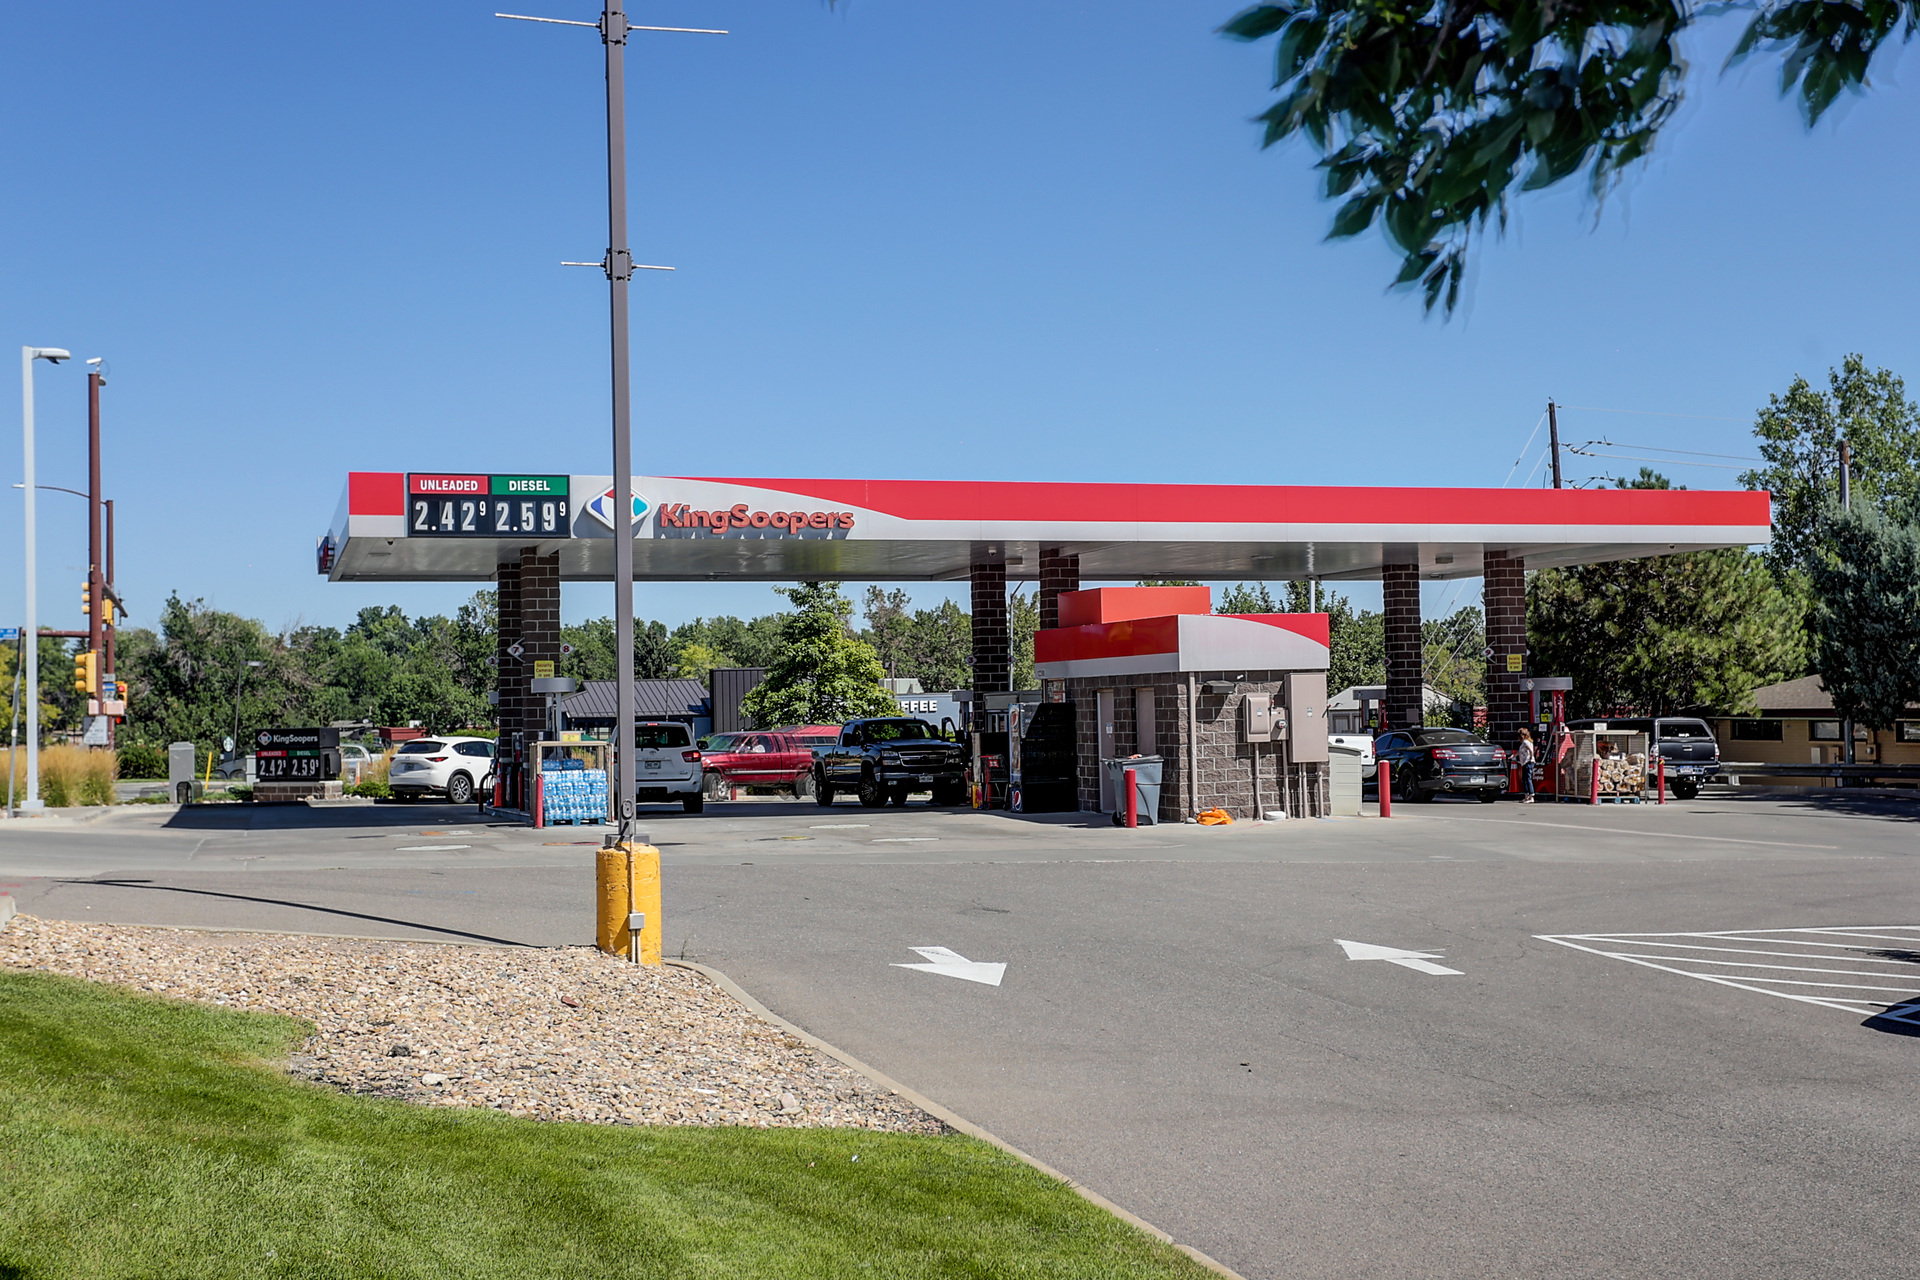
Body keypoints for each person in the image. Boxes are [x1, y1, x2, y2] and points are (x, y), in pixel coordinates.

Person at [1515, 727, 1536, 804]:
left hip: (1528, 762)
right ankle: (1527, 796)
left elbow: (1530, 750)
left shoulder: (1526, 742)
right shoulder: (1526, 742)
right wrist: (1513, 756)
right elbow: (1520, 752)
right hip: (1525, 762)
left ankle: (1531, 796)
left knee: (1528, 779)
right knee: (1525, 779)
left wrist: (1531, 757)